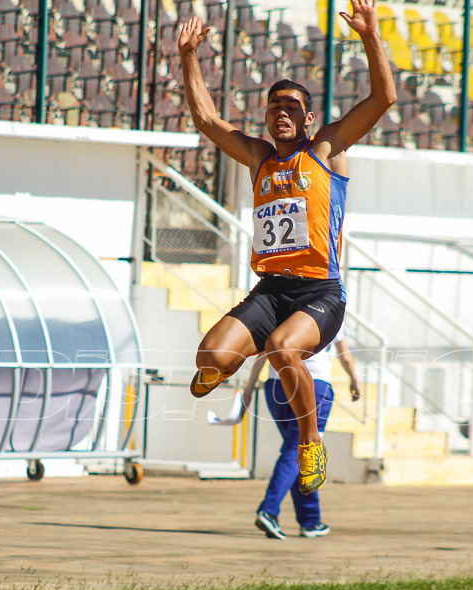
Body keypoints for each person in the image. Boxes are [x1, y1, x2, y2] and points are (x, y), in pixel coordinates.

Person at [178, 0, 396, 495]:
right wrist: (189, 56)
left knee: (282, 349)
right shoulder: (258, 156)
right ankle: (223, 367)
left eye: (292, 107)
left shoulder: (326, 149)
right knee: (209, 356)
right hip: (272, 289)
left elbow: (384, 97)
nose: (282, 113)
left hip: (321, 292)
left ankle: (310, 441)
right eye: (275, 106)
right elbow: (207, 120)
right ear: (266, 115)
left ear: (308, 117)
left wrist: (370, 35)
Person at [248, 329, 361, 539]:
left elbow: (264, 352)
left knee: (299, 453)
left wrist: (249, 386)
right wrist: (354, 379)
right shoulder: (330, 302)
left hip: (276, 385)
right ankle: (269, 510)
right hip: (314, 385)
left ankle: (309, 520)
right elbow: (344, 355)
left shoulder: (281, 306)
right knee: (299, 450)